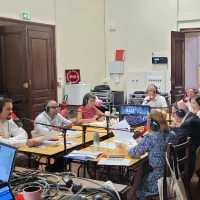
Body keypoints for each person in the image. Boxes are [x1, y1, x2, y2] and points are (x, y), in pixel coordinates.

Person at [115, 110, 174, 198]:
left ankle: (130, 195)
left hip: (157, 180)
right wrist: (144, 142)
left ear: (154, 125)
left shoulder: (150, 138)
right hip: (170, 175)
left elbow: (134, 153)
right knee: (141, 170)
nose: (147, 125)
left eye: (148, 122)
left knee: (137, 180)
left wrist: (123, 146)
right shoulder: (172, 134)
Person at [172, 100, 200, 179]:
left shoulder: (187, 124)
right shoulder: (192, 117)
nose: (172, 116)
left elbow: (175, 144)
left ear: (180, 112)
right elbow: (183, 131)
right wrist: (170, 129)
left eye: (173, 113)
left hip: (185, 163)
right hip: (193, 157)